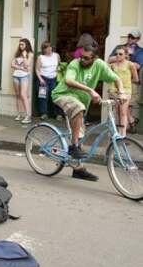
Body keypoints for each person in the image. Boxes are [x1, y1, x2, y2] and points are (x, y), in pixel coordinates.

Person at [52, 43, 128, 181]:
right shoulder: (75, 63)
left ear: (95, 58)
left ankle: (78, 169)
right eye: (81, 57)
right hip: (63, 94)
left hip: (81, 100)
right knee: (78, 108)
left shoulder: (99, 65)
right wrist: (90, 90)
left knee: (81, 131)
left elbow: (116, 78)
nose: (82, 60)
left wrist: (121, 92)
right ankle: (73, 146)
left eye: (86, 58)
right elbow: (68, 80)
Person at [109, 46, 138, 136]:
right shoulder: (112, 65)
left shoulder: (130, 64)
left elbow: (135, 79)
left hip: (125, 91)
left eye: (120, 54)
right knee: (117, 112)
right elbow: (111, 78)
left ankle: (123, 135)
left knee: (123, 112)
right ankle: (118, 133)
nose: (118, 56)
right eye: (116, 54)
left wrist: (126, 84)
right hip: (114, 91)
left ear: (126, 55)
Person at [36, 41, 61, 120]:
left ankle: (57, 114)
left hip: (54, 79)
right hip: (44, 79)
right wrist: (40, 79)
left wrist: (59, 70)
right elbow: (37, 69)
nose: (49, 48)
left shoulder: (56, 55)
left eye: (50, 47)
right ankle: (44, 113)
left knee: (55, 96)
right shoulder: (40, 57)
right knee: (43, 96)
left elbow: (59, 65)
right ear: (43, 49)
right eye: (46, 47)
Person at [12, 38, 34, 124]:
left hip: (24, 76)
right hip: (16, 75)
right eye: (20, 44)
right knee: (17, 95)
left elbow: (27, 64)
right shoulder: (17, 53)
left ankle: (28, 115)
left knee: (23, 95)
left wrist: (25, 56)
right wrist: (21, 67)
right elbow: (12, 64)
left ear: (26, 45)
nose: (21, 46)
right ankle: (19, 114)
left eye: (22, 44)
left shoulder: (30, 54)